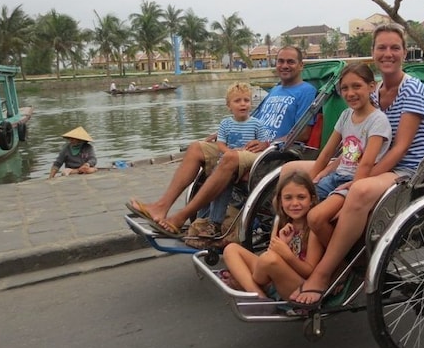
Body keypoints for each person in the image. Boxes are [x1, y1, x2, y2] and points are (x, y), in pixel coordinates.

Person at [289, 24, 424, 307]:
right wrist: (329, 169)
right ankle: (301, 254)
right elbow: (355, 139)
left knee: (356, 191)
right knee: (290, 173)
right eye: (382, 47)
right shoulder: (374, 91)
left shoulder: (413, 89)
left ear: (404, 52)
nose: (388, 53)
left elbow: (401, 148)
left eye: (394, 47)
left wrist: (357, 177)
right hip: (369, 163)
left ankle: (324, 272)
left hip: (405, 170)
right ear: (373, 53)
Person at [126, 46, 316, 237]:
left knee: (230, 157)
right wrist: (222, 133)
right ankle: (161, 206)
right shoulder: (276, 90)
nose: (284, 65)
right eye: (281, 61)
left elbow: (303, 133)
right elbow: (252, 118)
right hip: (248, 146)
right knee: (196, 148)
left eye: (290, 62)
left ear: (300, 65)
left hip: (272, 154)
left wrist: (268, 143)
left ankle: (181, 217)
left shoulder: (306, 91)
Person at [294, 63, 391, 247]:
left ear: (372, 86)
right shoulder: (346, 115)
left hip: (355, 182)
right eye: (344, 88)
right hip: (337, 176)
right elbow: (327, 153)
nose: (350, 93)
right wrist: (310, 181)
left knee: (317, 217)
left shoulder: (378, 120)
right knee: (299, 202)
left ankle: (341, 261)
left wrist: (352, 189)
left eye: (356, 86)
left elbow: (366, 163)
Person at [222, 171, 323, 300]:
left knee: (269, 259)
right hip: (272, 275)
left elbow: (310, 272)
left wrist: (287, 254)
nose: (295, 203)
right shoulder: (281, 221)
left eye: (301, 197)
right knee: (231, 249)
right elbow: (268, 262)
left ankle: (246, 284)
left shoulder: (313, 229)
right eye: (288, 198)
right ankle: (258, 295)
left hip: (298, 286)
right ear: (280, 201)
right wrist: (283, 243)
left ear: (312, 200)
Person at [191, 82, 271, 238]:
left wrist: (262, 145)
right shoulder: (225, 123)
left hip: (245, 163)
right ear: (229, 105)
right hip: (227, 161)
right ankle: (201, 219)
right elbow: (220, 143)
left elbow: (264, 145)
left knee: (222, 181)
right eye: (238, 101)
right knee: (210, 184)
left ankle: (215, 222)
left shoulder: (257, 124)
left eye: (246, 100)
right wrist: (228, 152)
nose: (243, 104)